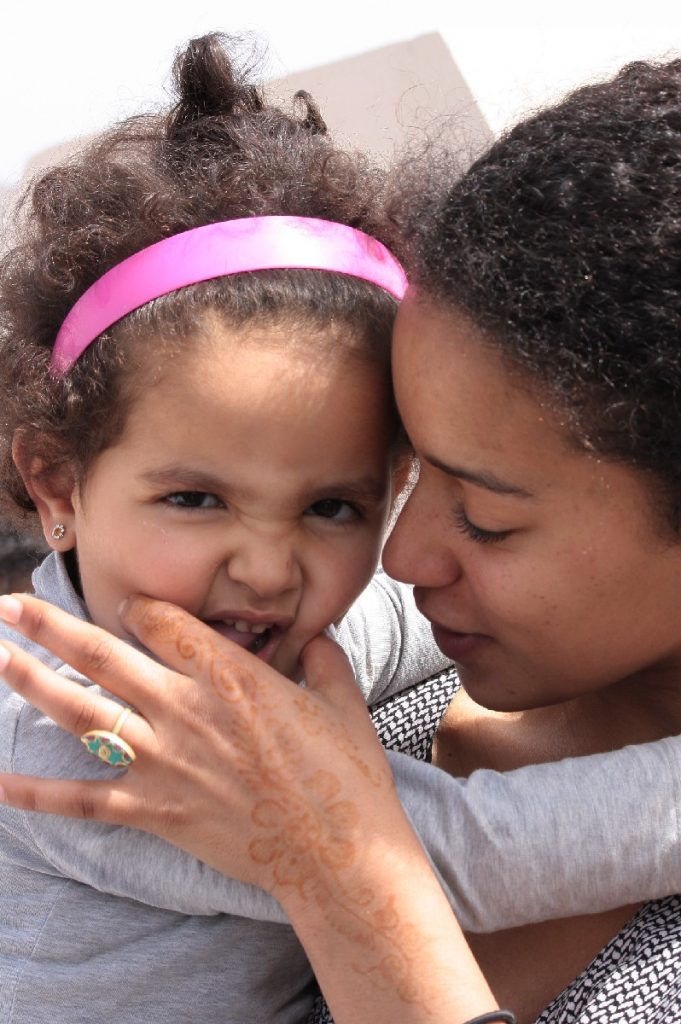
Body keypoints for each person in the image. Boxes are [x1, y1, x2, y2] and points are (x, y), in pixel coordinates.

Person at [0, 43, 681, 1024]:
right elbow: (434, 858)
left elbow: (381, 643)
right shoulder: (77, 725)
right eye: (196, 499)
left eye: (337, 507)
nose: (396, 561)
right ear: (56, 480)